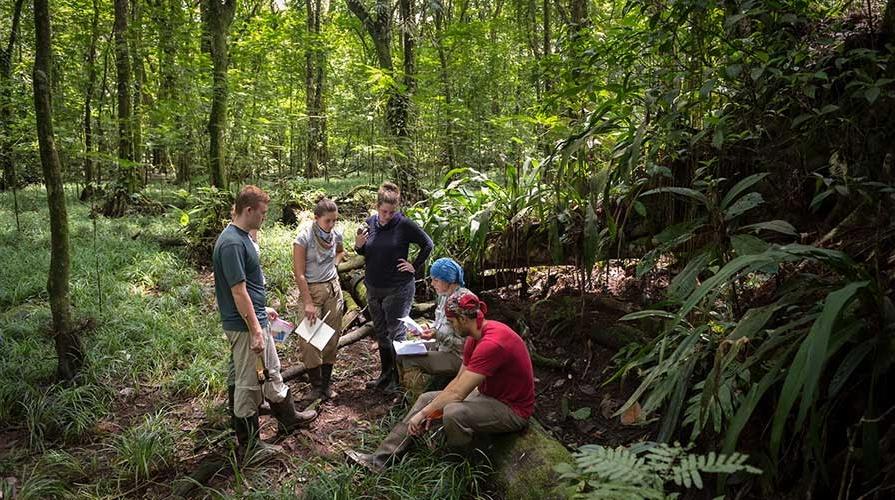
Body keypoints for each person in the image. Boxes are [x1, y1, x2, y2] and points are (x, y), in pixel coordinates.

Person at [346, 290, 535, 471]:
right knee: (425, 400)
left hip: (512, 408)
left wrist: (424, 414)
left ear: (463, 319)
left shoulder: (492, 343)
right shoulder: (474, 336)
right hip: (489, 394)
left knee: (454, 412)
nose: (451, 326)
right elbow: (458, 382)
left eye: (452, 322)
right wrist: (430, 410)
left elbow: (458, 393)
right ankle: (380, 459)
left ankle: (462, 467)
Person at [213, 185, 315, 459]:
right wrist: (256, 329)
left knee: (270, 371)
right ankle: (249, 446)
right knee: (247, 385)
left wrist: (262, 308)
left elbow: (247, 287)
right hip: (245, 327)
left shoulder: (241, 236)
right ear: (248, 210)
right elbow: (237, 290)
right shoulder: (232, 242)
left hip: (252, 318)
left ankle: (289, 417)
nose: (264, 218)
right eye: (263, 213)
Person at [354, 182, 433, 392]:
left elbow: (428, 244)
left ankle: (399, 381)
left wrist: (414, 266)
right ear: (377, 207)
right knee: (381, 333)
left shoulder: (404, 225)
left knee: (395, 333)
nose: (387, 216)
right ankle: (385, 375)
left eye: (391, 212)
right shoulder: (369, 223)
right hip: (373, 288)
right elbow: (365, 252)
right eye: (383, 211)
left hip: (398, 288)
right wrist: (358, 246)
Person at [293, 197, 344, 406]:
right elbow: (299, 273)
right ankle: (315, 385)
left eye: (334, 221)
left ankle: (326, 385)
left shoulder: (336, 233)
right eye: (327, 221)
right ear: (316, 218)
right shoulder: (304, 237)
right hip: (312, 290)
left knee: (331, 337)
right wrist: (307, 302)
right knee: (309, 338)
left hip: (333, 288)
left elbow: (340, 251)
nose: (331, 225)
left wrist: (334, 266)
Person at [397, 258, 468, 379]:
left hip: (458, 357)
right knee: (401, 352)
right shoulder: (443, 296)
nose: (432, 284)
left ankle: (417, 395)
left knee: (409, 360)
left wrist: (436, 335)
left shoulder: (463, 302)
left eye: (436, 280)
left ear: (448, 281)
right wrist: (428, 328)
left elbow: (465, 345)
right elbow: (441, 324)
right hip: (441, 346)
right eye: (432, 279)